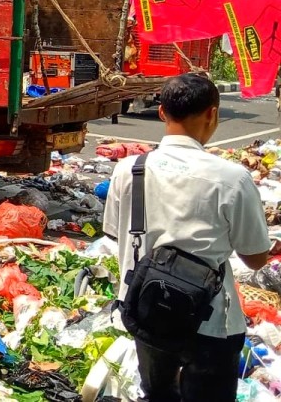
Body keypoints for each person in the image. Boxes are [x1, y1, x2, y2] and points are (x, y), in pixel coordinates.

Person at [103, 74, 281, 402]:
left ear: (160, 113)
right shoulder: (233, 179)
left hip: (147, 311)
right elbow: (254, 258)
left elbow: (117, 233)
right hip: (211, 322)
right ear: (212, 114)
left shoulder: (129, 169)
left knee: (158, 395)